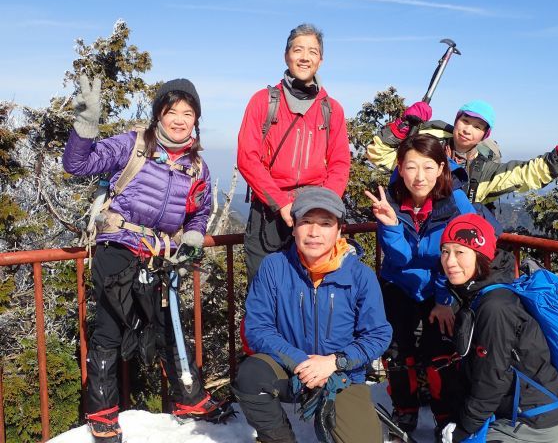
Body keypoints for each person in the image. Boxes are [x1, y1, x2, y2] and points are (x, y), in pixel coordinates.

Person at [63, 76, 228, 442]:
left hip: (159, 256)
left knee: (168, 325)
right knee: (110, 327)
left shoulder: (196, 167)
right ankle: (102, 411)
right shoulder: (133, 145)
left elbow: (198, 211)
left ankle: (189, 398)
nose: (180, 120)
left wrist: (194, 234)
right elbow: (77, 165)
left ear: (196, 119)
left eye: (188, 113)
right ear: (158, 114)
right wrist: (86, 126)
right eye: (172, 111)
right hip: (119, 246)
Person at [232, 187, 392, 443]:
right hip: (290, 369)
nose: (314, 232)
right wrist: (301, 362)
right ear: (294, 228)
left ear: (339, 230)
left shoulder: (360, 276)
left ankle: (331, 412)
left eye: (325, 223)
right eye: (306, 222)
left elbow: (378, 334)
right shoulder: (274, 267)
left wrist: (335, 362)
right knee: (252, 374)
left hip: (341, 376)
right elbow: (257, 328)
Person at [364, 133, 477, 437]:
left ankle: (446, 416)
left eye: (428, 167)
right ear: (400, 167)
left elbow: (458, 253)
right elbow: (400, 258)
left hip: (442, 285)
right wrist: (390, 225)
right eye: (411, 167)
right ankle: (405, 411)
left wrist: (443, 300)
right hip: (399, 282)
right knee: (397, 349)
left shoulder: (455, 202)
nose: (420, 176)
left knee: (440, 351)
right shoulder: (389, 201)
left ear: (441, 168)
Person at [237, 23, 351, 286]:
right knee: (264, 292)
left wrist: (322, 207)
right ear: (286, 55)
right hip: (268, 214)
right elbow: (247, 158)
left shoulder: (332, 109)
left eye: (312, 51)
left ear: (320, 60)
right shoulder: (263, 101)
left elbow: (340, 163)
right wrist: (281, 203)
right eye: (298, 50)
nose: (305, 57)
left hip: (313, 215)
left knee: (310, 292)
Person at [439, 213, 558, 442]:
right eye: (445, 251)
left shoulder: (495, 307)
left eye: (460, 252)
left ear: (481, 256)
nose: (449, 261)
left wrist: (464, 428)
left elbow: (492, 377)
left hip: (532, 422)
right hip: (517, 413)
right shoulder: (476, 294)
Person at [367, 99, 558, 207]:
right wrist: (402, 126)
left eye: (478, 127)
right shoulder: (426, 150)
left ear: (484, 135)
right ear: (456, 121)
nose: (468, 130)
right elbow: (380, 155)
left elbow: (528, 174)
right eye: (465, 121)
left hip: (452, 255)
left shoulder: (482, 172)